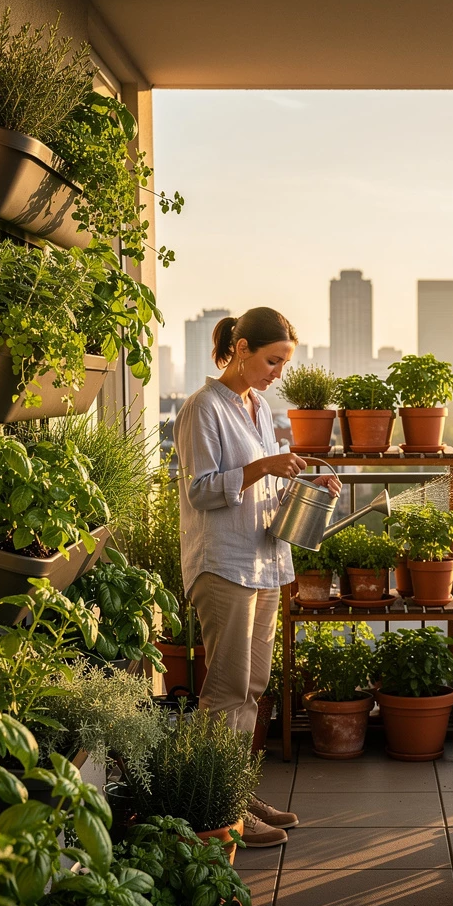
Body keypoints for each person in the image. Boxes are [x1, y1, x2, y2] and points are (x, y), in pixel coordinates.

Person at [173, 306, 341, 848]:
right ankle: (215, 808)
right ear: (241, 349)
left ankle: (238, 794)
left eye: (283, 364)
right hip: (222, 565)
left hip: (263, 561)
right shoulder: (202, 408)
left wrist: (306, 482)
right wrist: (266, 466)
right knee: (224, 691)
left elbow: (260, 490)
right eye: (272, 360)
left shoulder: (258, 407)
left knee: (253, 685)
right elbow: (201, 489)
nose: (277, 373)